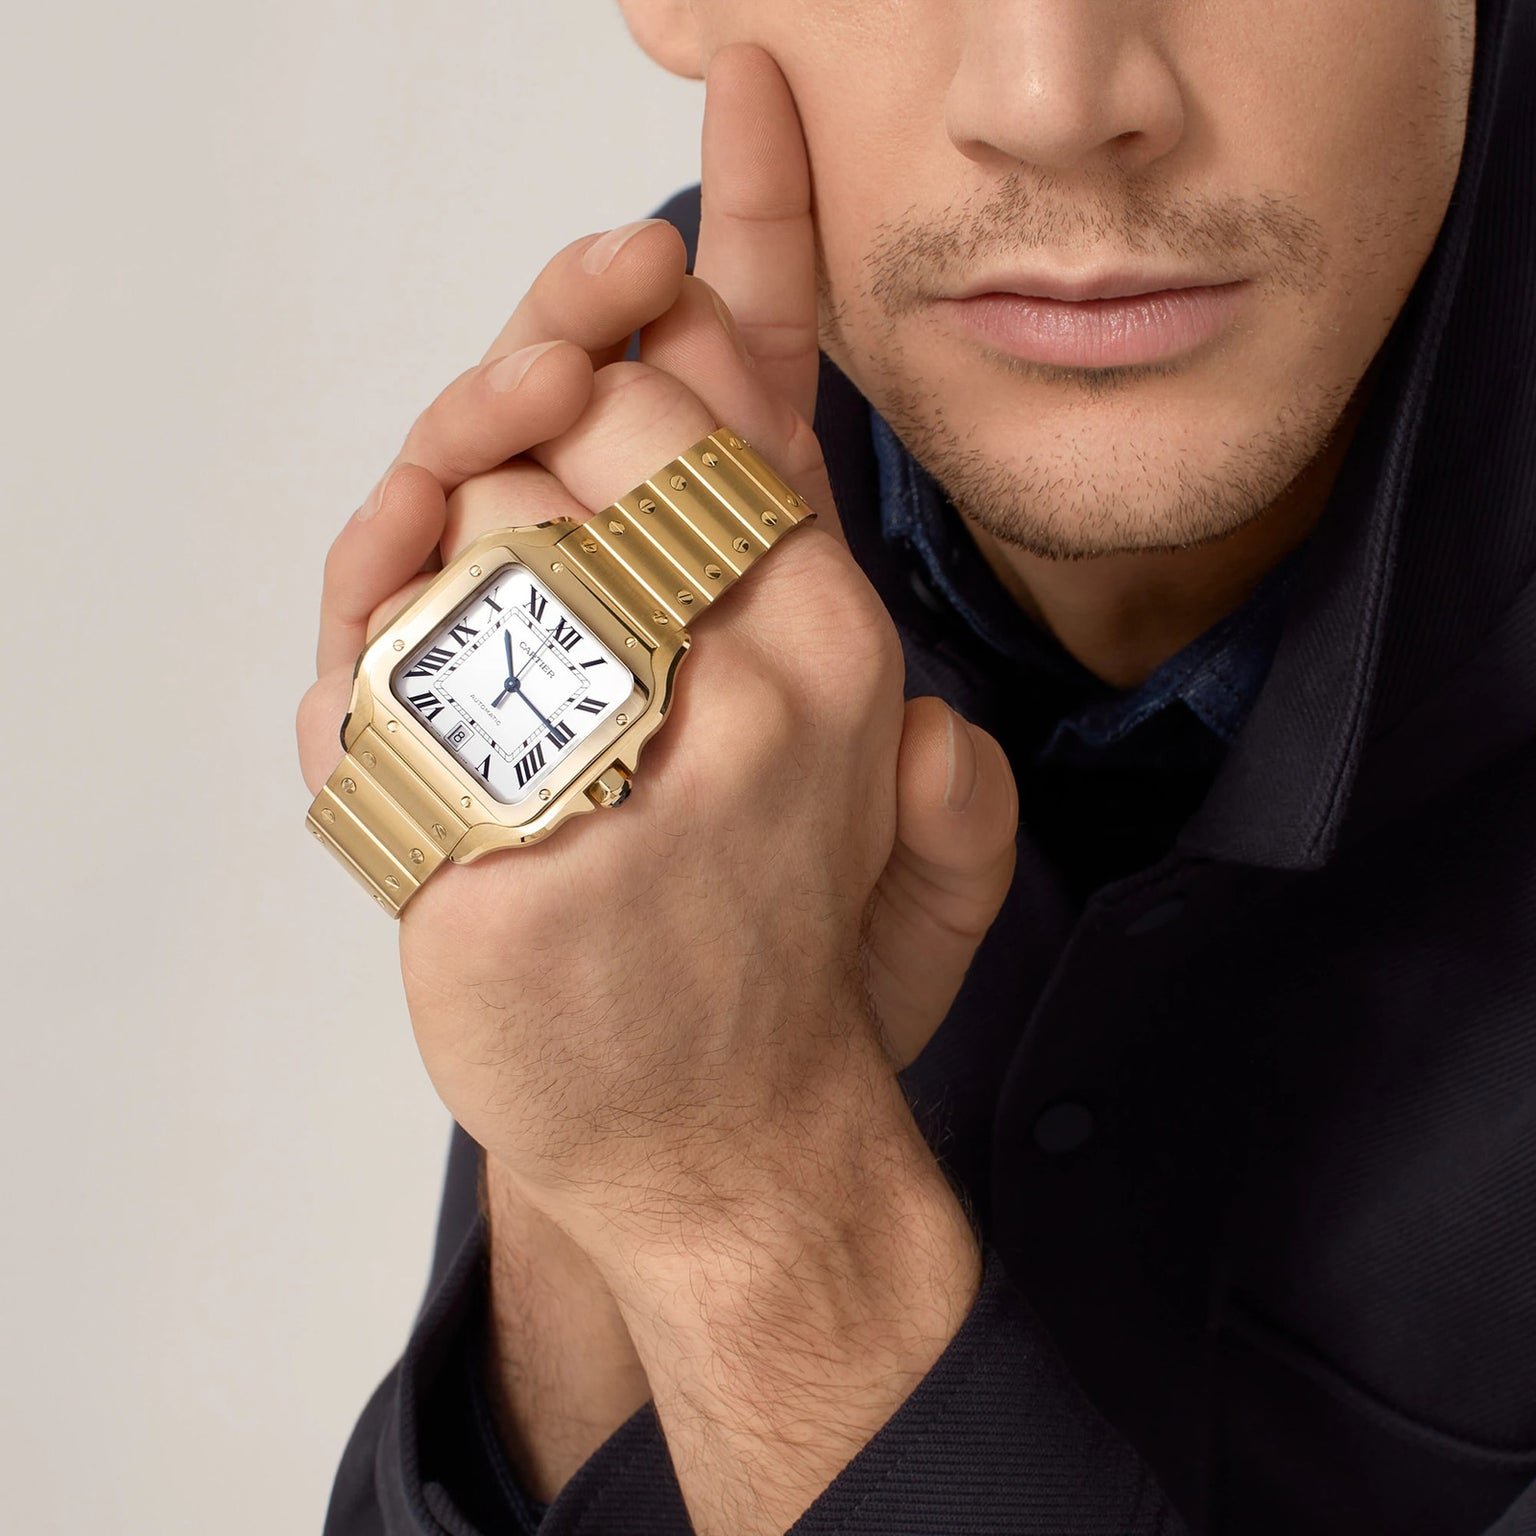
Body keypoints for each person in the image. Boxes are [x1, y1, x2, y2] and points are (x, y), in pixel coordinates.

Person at [297, 2, 1536, 1531]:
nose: (1053, 95)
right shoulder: (683, 462)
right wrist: (594, 1166)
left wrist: (751, 1206)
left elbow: (722, 1184)